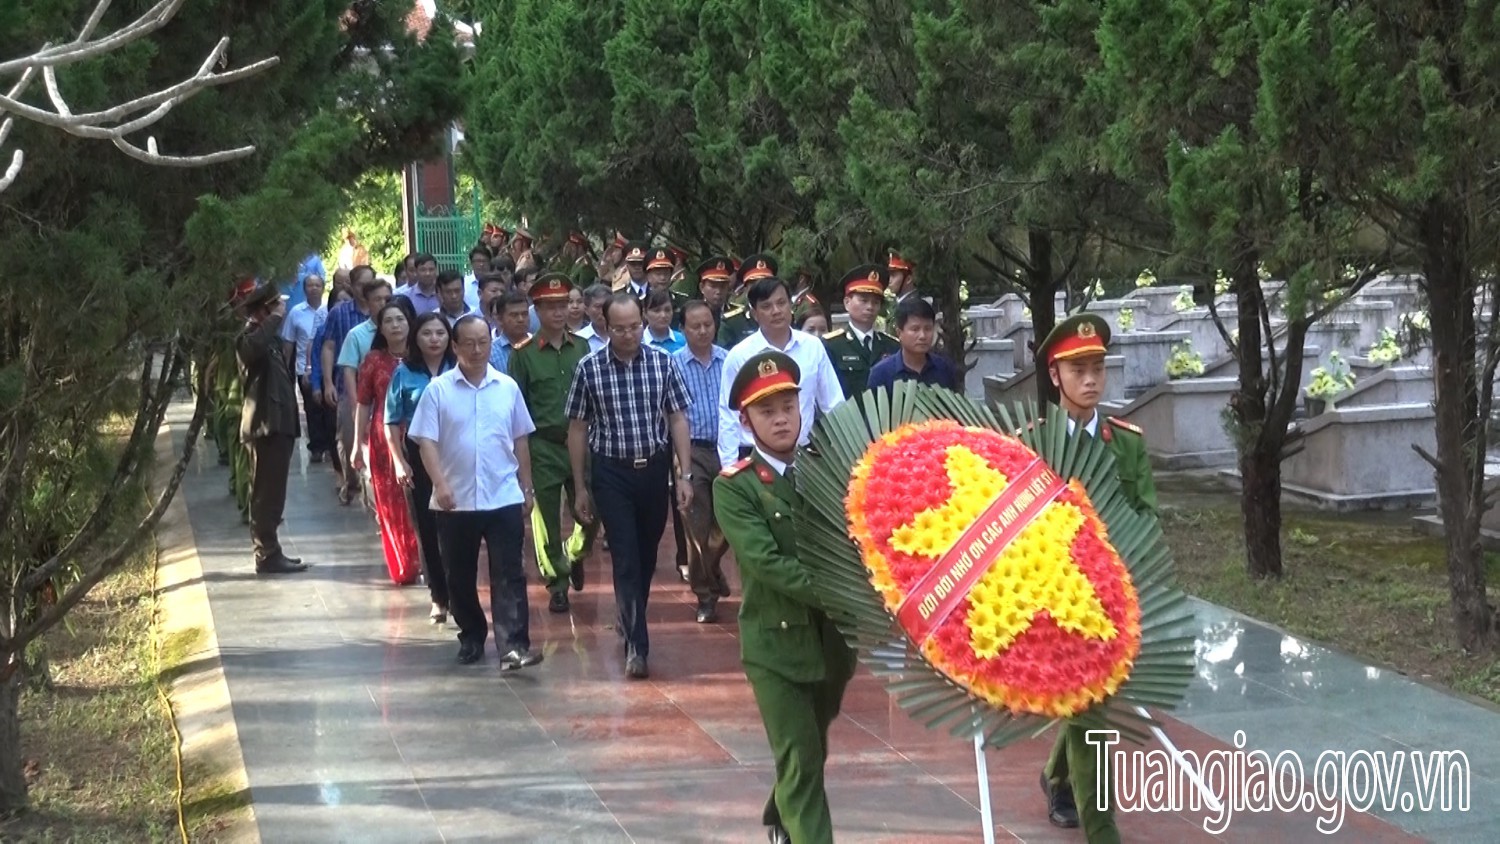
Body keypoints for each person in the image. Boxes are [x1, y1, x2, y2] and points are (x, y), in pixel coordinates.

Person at [714, 351, 855, 844]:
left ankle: (779, 811)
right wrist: (843, 588)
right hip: (775, 648)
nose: (780, 419)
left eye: (788, 407)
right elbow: (767, 564)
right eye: (766, 410)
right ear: (745, 420)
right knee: (801, 756)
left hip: (834, 646)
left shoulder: (830, 474)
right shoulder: (736, 488)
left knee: (810, 751)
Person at [1032, 313, 1154, 843]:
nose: (1090, 379)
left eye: (1097, 367)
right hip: (1053, 598)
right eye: (1077, 369)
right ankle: (1103, 832)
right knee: (1089, 714)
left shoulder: (1125, 442)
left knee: (1090, 705)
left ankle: (1058, 775)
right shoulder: (1030, 444)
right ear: (1055, 375)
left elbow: (1145, 515)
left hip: (1108, 598)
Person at [565, 294, 693, 679]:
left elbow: (678, 418)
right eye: (619, 328)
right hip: (611, 472)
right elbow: (577, 428)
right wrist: (580, 486)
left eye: (634, 326)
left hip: (653, 470)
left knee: (647, 553)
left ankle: (630, 614)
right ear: (605, 325)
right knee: (624, 555)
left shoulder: (662, 363)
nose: (628, 334)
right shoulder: (589, 369)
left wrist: (684, 475)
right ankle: (637, 645)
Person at [409, 316, 543, 670]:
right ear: (455, 347)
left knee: (509, 573)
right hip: (456, 500)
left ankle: (513, 645)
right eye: (468, 342)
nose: (477, 349)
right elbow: (426, 442)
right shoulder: (438, 390)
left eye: (483, 341)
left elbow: (520, 440)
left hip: (502, 495)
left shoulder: (507, 387)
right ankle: (471, 635)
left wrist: (526, 487)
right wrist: (440, 484)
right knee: (459, 574)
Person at [510, 273, 597, 613]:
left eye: (563, 305)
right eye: (550, 307)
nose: (558, 313)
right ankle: (557, 581)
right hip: (542, 444)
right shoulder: (524, 354)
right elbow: (517, 406)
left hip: (582, 441)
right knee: (545, 518)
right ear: (538, 309)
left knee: (591, 512)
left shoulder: (584, 347)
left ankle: (574, 552)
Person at [717, 274, 844, 469]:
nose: (776, 311)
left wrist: (845, 454)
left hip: (803, 456)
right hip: (755, 457)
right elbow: (729, 415)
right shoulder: (739, 355)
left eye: (781, 303)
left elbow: (833, 404)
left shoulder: (813, 346)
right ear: (754, 313)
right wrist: (729, 466)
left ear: (791, 306)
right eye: (766, 306)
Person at [234, 281, 309, 575]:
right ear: (265, 309)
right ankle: (265, 553)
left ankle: (271, 549)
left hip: (277, 426)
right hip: (264, 426)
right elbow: (252, 351)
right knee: (265, 494)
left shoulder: (270, 340)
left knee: (274, 493)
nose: (283, 310)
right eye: (277, 306)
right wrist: (274, 318)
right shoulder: (249, 337)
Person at [385, 313, 455, 623]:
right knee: (427, 526)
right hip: (418, 451)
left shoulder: (460, 368)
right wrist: (400, 462)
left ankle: (459, 591)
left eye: (441, 333)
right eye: (427, 333)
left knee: (457, 526)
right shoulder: (404, 373)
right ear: (416, 338)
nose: (435, 339)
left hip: (455, 451)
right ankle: (438, 595)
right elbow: (390, 422)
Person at [353, 303, 422, 585]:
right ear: (380, 328)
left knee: (421, 503)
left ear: (410, 323)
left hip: (421, 437)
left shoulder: (422, 357)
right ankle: (405, 563)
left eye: (400, 319)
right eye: (389, 321)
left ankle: (427, 559)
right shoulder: (373, 360)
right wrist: (358, 443)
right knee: (392, 504)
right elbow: (363, 403)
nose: (395, 325)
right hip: (384, 441)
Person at [673, 301, 730, 623]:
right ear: (683, 329)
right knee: (696, 525)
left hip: (727, 449)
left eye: (708, 324)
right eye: (695, 326)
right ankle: (705, 594)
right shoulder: (673, 364)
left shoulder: (729, 360)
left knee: (725, 525)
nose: (703, 330)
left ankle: (711, 568)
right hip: (690, 451)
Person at [319, 268, 381, 504]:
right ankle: (352, 483)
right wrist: (327, 383)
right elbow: (328, 347)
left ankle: (374, 493)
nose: (366, 289)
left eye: (370, 284)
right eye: (361, 285)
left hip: (381, 391)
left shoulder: (386, 313)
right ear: (351, 287)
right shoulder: (340, 313)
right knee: (348, 439)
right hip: (349, 389)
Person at [822, 264, 899, 399]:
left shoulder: (892, 345)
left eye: (875, 302)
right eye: (863, 300)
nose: (870, 307)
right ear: (847, 303)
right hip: (847, 418)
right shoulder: (832, 345)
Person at [281, 274, 334, 463]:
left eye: (317, 285)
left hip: (326, 366)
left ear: (323, 287)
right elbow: (289, 342)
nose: (314, 288)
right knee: (312, 409)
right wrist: (285, 367)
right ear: (304, 289)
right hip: (305, 368)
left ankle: (330, 446)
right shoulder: (296, 312)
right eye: (310, 285)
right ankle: (317, 447)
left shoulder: (329, 309)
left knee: (328, 409)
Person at [867, 297, 959, 392]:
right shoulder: (881, 373)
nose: (922, 336)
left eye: (928, 329)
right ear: (899, 333)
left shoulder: (944, 369)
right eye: (915, 329)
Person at [715, 255, 767, 350]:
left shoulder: (784, 316)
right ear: (746, 288)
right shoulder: (732, 322)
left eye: (766, 283)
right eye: (754, 284)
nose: (761, 288)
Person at [488, 289, 533, 374]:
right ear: (500, 319)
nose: (521, 319)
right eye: (514, 315)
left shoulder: (540, 347)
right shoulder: (490, 353)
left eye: (524, 314)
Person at [643, 288, 686, 353]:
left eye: (667, 310)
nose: (663, 315)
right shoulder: (638, 342)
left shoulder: (683, 341)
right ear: (645, 313)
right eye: (657, 311)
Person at [574, 283, 612, 354]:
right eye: (598, 307)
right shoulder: (579, 339)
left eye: (606, 305)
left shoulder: (623, 334)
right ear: (586, 310)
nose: (603, 311)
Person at [464, 245, 492, 311]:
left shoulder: (495, 283)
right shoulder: (465, 283)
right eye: (478, 261)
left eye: (484, 261)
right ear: (471, 263)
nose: (481, 264)